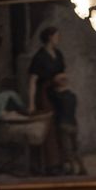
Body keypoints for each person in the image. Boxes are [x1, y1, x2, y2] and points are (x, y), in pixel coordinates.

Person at [27, 26, 66, 175]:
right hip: (44, 95)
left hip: (57, 93)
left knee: (60, 126)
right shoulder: (39, 57)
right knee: (48, 129)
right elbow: (32, 81)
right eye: (56, 36)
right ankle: (50, 166)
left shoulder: (58, 54)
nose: (58, 38)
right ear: (50, 37)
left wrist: (62, 84)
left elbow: (62, 75)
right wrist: (31, 103)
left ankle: (61, 163)